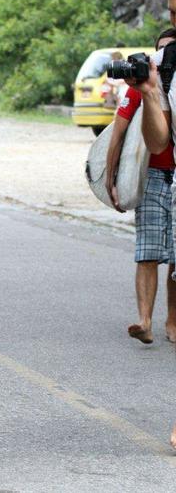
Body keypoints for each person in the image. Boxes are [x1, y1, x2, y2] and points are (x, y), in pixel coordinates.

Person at [123, 0, 176, 453]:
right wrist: (154, 91)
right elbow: (157, 139)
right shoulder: (164, 65)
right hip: (164, 176)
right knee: (150, 252)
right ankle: (147, 318)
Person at [106, 28, 176, 345]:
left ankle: (172, 320)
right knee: (147, 251)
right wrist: (110, 177)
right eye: (160, 50)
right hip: (151, 177)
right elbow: (117, 134)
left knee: (175, 257)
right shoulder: (140, 89)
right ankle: (145, 320)